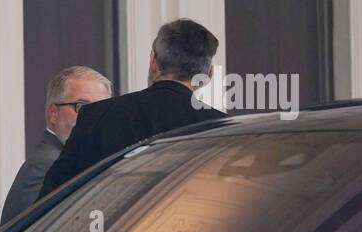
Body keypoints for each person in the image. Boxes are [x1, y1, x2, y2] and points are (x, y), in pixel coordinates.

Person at [40, 19, 224, 198]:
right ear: (208, 74)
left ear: (153, 60)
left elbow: (51, 203)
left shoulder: (96, 116)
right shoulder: (223, 130)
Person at [0, 66, 112, 224]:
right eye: (82, 108)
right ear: (53, 114)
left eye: (102, 109)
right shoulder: (47, 165)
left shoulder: (71, 160)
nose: (94, 118)